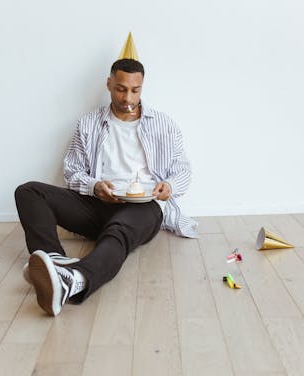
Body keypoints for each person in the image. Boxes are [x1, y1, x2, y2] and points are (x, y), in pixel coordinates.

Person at [14, 58, 197, 316]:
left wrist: (169, 186)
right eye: (121, 88)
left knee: (119, 232)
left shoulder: (163, 124)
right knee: (29, 191)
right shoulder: (88, 124)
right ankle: (55, 262)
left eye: (135, 90)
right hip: (98, 204)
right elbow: (71, 171)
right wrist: (94, 186)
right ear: (109, 84)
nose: (128, 97)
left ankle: (76, 280)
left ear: (142, 87)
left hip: (145, 207)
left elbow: (183, 169)